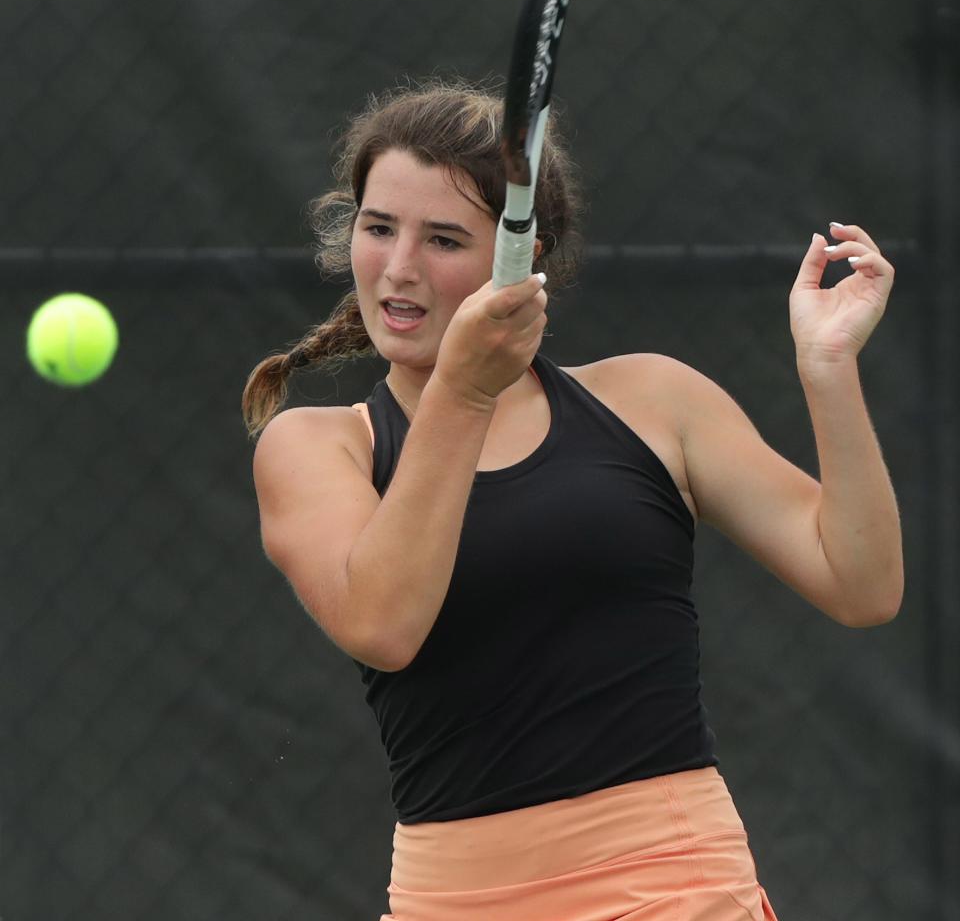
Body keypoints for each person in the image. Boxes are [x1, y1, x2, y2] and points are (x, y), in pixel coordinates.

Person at [242, 80, 902, 921]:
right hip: (453, 896)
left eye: (444, 238)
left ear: (524, 260)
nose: (399, 268)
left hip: (678, 883)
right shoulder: (317, 448)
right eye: (378, 228)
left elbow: (863, 584)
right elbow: (383, 624)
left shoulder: (656, 401)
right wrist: (464, 394)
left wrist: (830, 371)